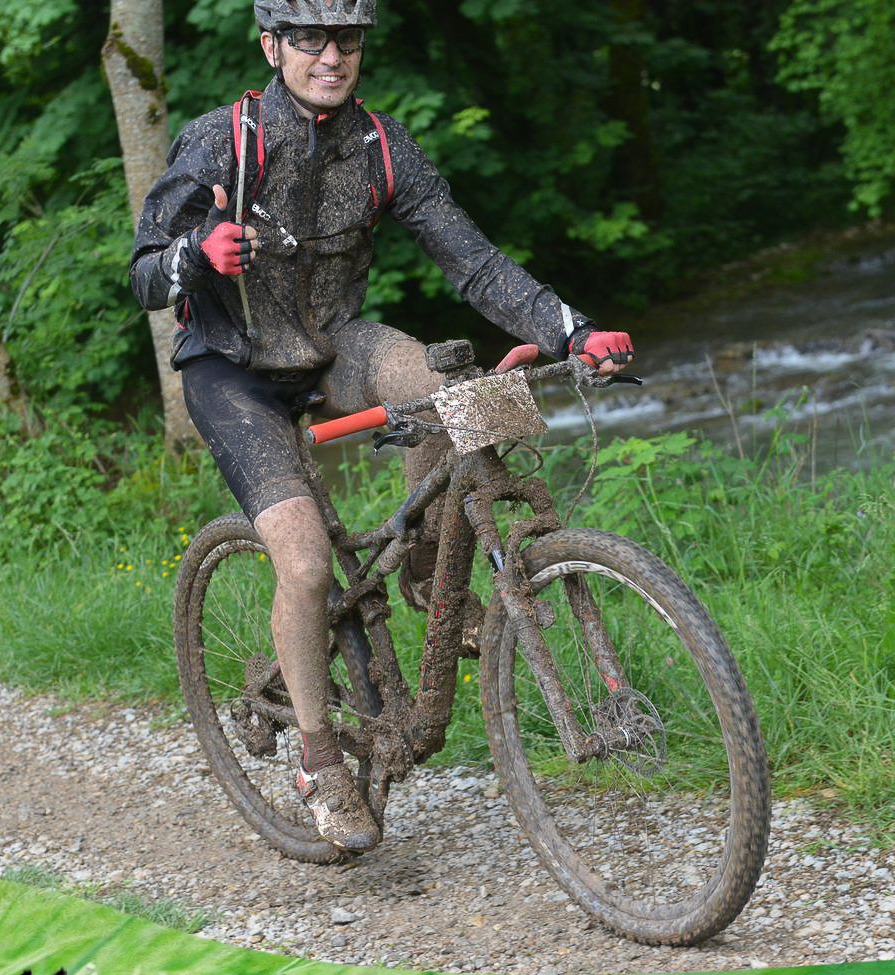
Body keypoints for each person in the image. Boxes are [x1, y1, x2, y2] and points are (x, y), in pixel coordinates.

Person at [129, 0, 634, 852]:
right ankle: (319, 761)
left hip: (331, 347)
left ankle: (432, 577)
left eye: (348, 38)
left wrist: (571, 329)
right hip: (232, 369)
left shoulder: (380, 146)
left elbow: (474, 262)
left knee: (448, 386)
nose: (332, 55)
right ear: (273, 45)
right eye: (310, 37)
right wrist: (195, 255)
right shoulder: (223, 140)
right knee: (305, 561)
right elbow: (143, 272)